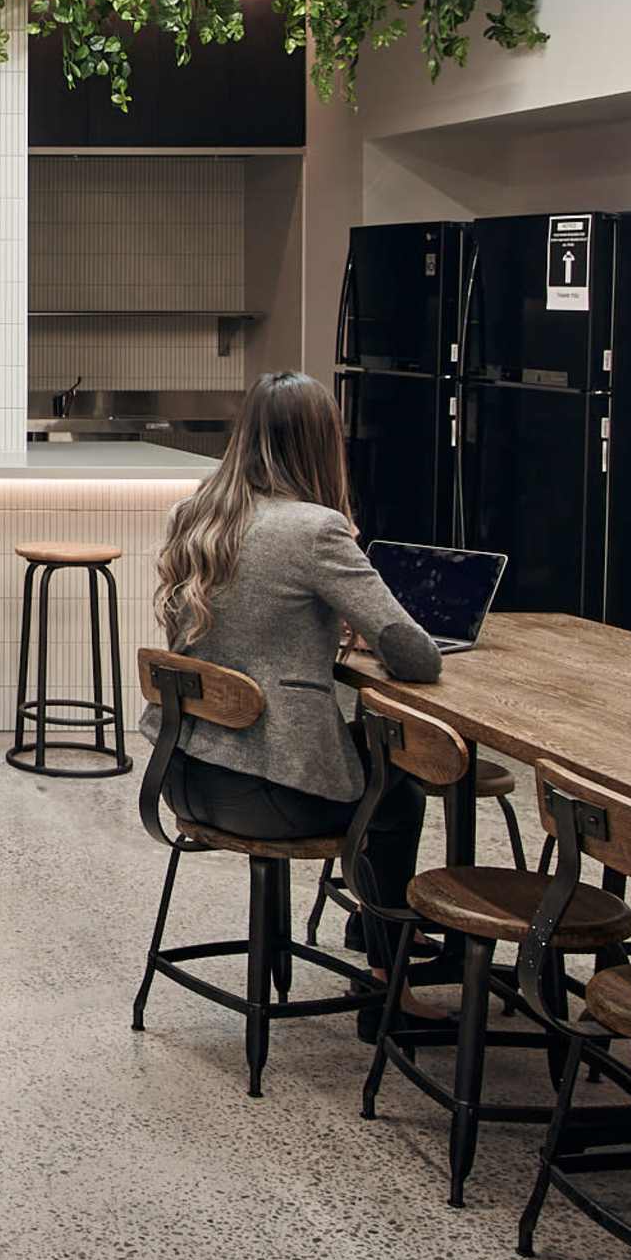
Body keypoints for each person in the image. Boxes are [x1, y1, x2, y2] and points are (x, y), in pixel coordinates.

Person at [143, 370, 445, 994]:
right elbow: (416, 656)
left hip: (188, 775)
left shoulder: (194, 513)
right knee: (399, 791)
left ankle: (381, 931)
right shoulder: (315, 530)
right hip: (272, 789)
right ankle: (386, 975)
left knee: (380, 773)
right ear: (320, 442)